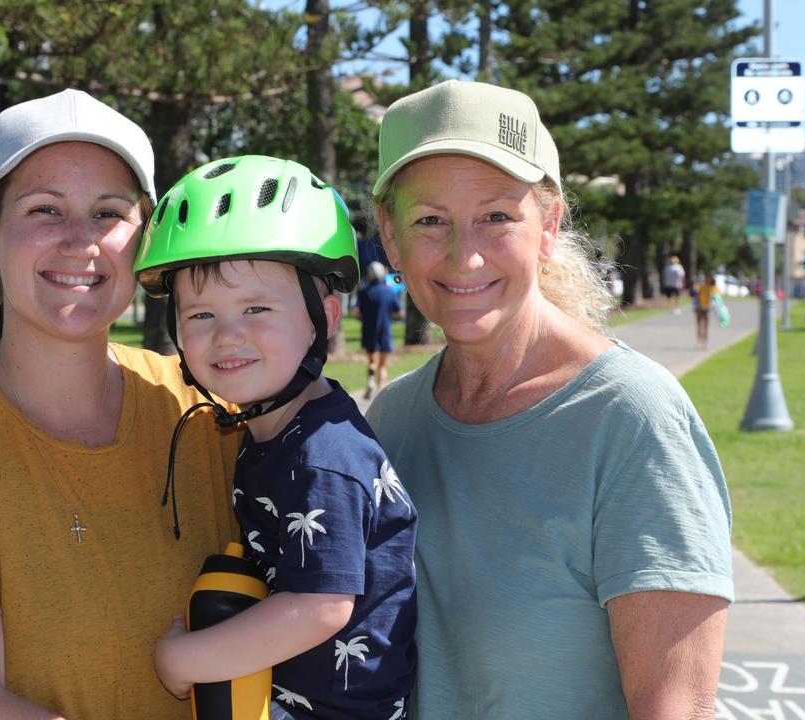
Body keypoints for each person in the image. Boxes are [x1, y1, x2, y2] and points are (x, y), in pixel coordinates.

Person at [0, 89, 242, 719]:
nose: (80, 241)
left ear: (145, 241)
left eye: (109, 213)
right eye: (45, 210)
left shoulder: (209, 411)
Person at [366, 79, 733, 718]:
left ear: (549, 225)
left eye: (496, 216)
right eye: (430, 221)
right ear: (390, 238)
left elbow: (676, 707)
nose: (464, 255)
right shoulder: (389, 421)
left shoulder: (631, 421)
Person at [135, 155, 417, 720]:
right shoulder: (279, 432)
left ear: (324, 316)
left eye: (256, 308)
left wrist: (184, 660)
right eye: (201, 315)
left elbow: (320, 607)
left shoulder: (323, 457)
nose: (227, 336)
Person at [354, 260, 402, 399]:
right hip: (385, 331)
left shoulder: (365, 291)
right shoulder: (389, 291)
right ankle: (381, 390)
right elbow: (399, 311)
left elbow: (356, 311)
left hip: (369, 330)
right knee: (383, 365)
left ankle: (370, 381)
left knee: (372, 362)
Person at [693, 271, 723, 350]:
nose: (708, 279)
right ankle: (699, 341)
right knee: (699, 325)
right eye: (707, 278)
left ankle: (705, 342)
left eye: (710, 278)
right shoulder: (702, 286)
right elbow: (696, 297)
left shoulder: (714, 288)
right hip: (700, 307)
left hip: (708, 308)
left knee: (706, 326)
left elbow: (716, 299)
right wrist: (695, 306)